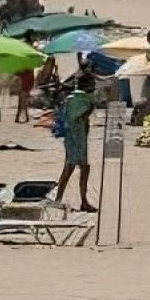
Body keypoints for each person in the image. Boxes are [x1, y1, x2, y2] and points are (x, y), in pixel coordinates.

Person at [53, 72, 99, 212]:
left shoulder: (75, 98)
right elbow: (77, 117)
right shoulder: (78, 99)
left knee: (75, 168)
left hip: (76, 137)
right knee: (73, 168)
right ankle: (66, 199)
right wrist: (90, 108)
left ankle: (70, 199)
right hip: (75, 138)